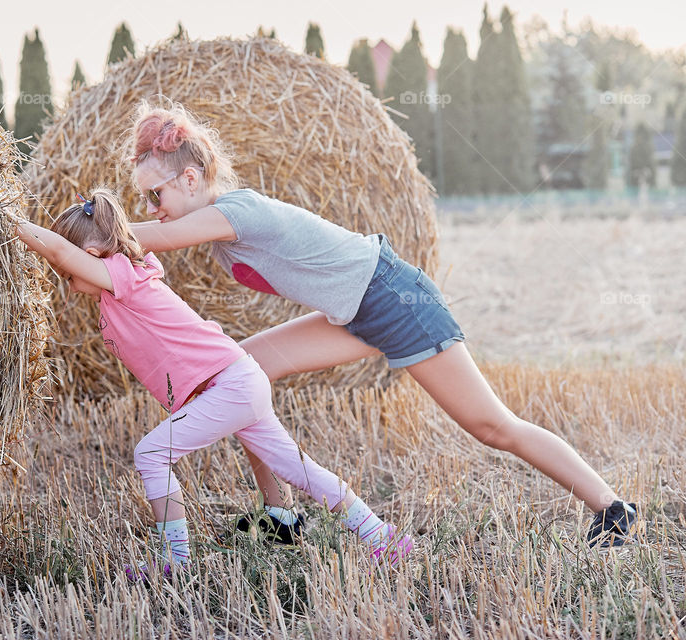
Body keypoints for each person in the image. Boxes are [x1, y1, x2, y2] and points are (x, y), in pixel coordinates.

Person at [123, 101, 638, 549]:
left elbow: (149, 240)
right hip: (354, 312)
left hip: (394, 299)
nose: (152, 209)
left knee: (492, 426)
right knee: (241, 372)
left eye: (155, 196)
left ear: (190, 179)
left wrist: (84, 234)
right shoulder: (219, 231)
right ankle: (277, 514)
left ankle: (612, 509)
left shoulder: (237, 212)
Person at [13, 189, 414, 578]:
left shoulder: (125, 277)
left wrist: (4, 219)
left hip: (232, 384)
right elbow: (68, 257)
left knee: (151, 454)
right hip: (238, 380)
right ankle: (383, 536)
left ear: (95, 257)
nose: (66, 281)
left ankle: (176, 560)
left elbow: (60, 250)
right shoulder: (121, 289)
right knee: (300, 470)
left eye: (68, 275)